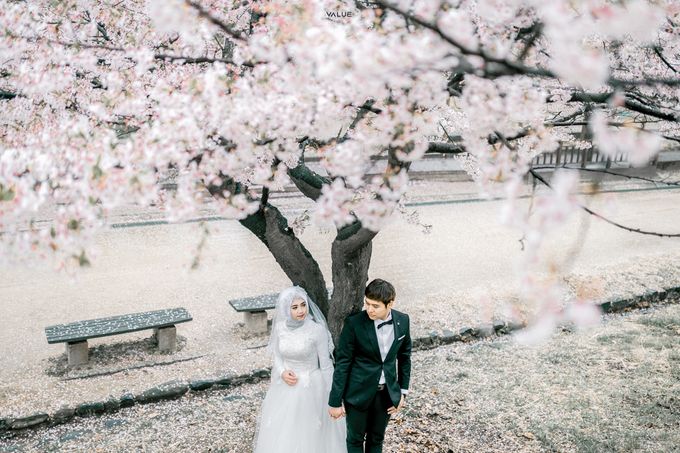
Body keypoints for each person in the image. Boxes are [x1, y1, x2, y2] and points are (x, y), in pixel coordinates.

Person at [254, 286, 346, 453]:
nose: (301, 311)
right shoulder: (280, 328)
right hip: (285, 387)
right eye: (295, 307)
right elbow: (277, 355)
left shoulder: (316, 330)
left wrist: (334, 396)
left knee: (312, 432)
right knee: (284, 432)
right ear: (285, 309)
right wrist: (282, 372)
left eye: (303, 305)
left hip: (312, 386)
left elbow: (325, 365)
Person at [328, 278, 412, 453]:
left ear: (390, 303)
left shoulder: (403, 321)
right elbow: (343, 363)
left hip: (386, 394)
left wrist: (402, 392)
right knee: (355, 440)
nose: (369, 310)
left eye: (375, 306)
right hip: (357, 394)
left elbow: (404, 357)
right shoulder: (354, 323)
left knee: (377, 439)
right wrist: (335, 401)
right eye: (367, 304)